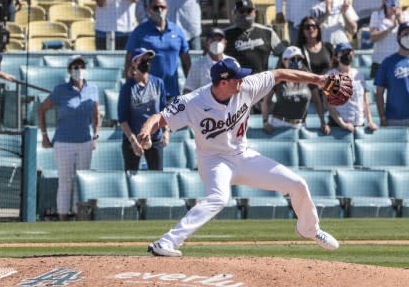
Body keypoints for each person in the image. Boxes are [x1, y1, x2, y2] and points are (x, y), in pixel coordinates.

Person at [141, 57, 340, 257]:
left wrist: (320, 79)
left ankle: (309, 229)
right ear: (223, 82)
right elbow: (160, 117)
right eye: (237, 78)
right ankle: (167, 242)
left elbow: (279, 74)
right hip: (214, 161)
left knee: (298, 184)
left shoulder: (247, 86)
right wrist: (146, 131)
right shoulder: (193, 101)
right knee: (219, 198)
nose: (242, 80)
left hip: (243, 156)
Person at [38, 55, 100, 220]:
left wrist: (96, 136)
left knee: (81, 182)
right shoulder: (60, 90)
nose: (79, 70)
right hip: (63, 142)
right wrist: (45, 135)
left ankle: (79, 216)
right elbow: (42, 109)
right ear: (69, 70)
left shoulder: (92, 88)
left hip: (85, 142)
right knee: (65, 182)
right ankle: (63, 217)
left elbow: (96, 115)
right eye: (75, 67)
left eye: (81, 66)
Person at [124, 0, 191, 100]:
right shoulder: (139, 31)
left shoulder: (177, 30)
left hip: (172, 91)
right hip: (147, 91)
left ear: (167, 9)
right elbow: (129, 60)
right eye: (155, 7)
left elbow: (186, 60)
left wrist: (189, 87)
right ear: (148, 10)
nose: (159, 10)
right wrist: (129, 86)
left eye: (162, 7)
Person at [118, 47, 168, 171]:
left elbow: (164, 110)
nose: (146, 62)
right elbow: (123, 119)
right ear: (134, 63)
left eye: (148, 59)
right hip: (132, 140)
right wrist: (133, 141)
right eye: (142, 59)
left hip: (155, 138)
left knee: (157, 178)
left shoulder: (158, 83)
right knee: (131, 177)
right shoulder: (127, 87)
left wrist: (166, 131)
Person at [262, 45, 328, 134]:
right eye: (293, 59)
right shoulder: (277, 78)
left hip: (300, 125)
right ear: (283, 60)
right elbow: (266, 101)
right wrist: (265, 122)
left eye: (299, 59)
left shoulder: (308, 77)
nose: (296, 62)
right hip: (279, 124)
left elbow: (317, 101)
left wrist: (323, 123)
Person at [224, 0, 284, 75]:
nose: (245, 14)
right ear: (235, 13)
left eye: (249, 11)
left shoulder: (267, 32)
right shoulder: (225, 34)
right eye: (242, 11)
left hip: (262, 81)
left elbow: (283, 54)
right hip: (237, 82)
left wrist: (275, 72)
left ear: (255, 13)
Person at [368, 0, 409, 80]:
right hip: (380, 62)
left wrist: (400, 20)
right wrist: (390, 28)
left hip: (399, 62)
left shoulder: (405, 16)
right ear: (384, 0)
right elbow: (373, 37)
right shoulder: (376, 15)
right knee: (378, 92)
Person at [184, 27, 232, 93]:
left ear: (225, 43)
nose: (216, 43)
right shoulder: (197, 65)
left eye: (219, 40)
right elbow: (189, 90)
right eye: (213, 40)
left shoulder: (232, 62)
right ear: (206, 43)